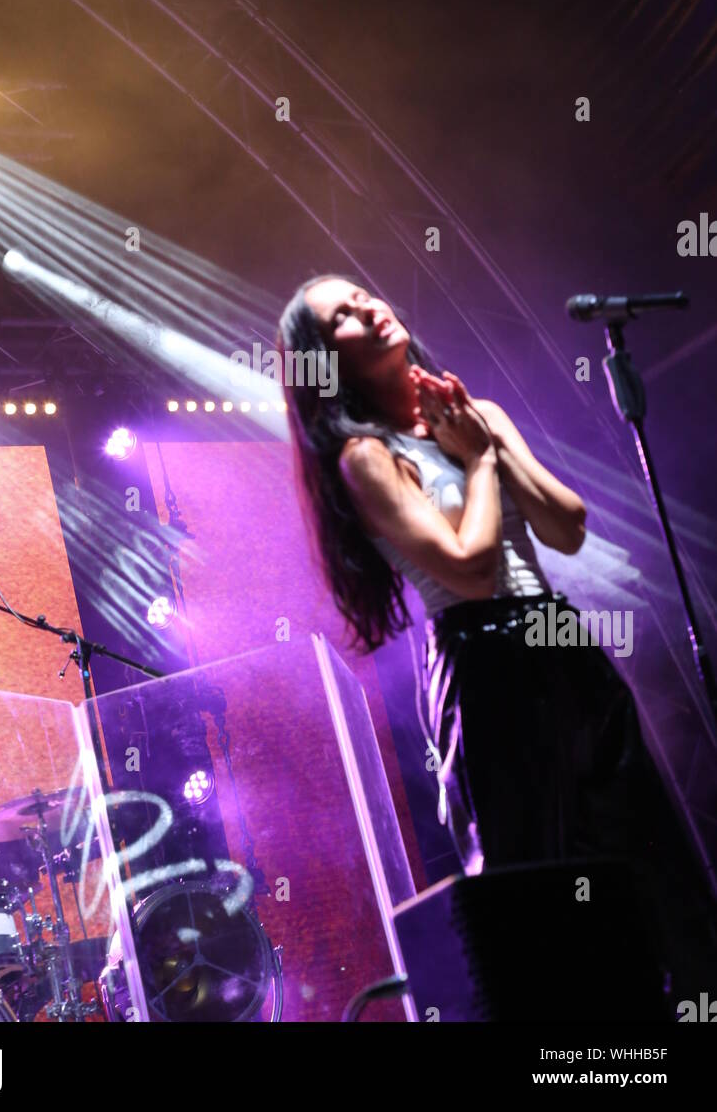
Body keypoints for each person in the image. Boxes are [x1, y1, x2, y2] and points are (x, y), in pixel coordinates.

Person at [278, 272, 717, 996]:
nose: (369, 310)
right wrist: (478, 461)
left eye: (365, 297)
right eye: (343, 319)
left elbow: (567, 528)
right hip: (481, 658)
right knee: (537, 879)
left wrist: (489, 441)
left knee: (643, 846)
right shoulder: (365, 458)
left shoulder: (476, 414)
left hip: (556, 634)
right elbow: (471, 570)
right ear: (325, 361)